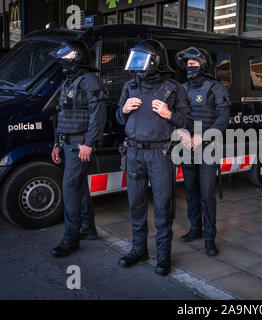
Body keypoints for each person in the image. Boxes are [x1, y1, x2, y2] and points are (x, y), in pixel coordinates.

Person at [116, 40, 192, 275]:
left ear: (156, 61)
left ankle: (163, 256)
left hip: (160, 154)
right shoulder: (130, 86)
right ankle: (138, 249)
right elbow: (119, 118)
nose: (137, 65)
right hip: (133, 152)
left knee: (163, 207)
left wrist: (170, 114)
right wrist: (124, 110)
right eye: (135, 59)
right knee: (136, 205)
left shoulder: (174, 88)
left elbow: (189, 123)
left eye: (142, 59)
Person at [49, 40, 107, 257]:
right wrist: (57, 143)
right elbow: (62, 114)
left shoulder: (90, 81)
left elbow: (98, 115)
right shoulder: (69, 81)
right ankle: (88, 229)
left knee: (70, 189)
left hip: (80, 144)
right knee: (80, 186)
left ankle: (70, 239)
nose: (62, 63)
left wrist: (89, 143)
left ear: (77, 59)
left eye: (66, 59)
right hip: (68, 143)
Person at [175, 47, 231, 256]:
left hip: (207, 148)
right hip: (187, 148)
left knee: (207, 193)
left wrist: (203, 136)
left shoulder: (216, 88)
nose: (189, 68)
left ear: (203, 65)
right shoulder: (181, 88)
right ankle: (195, 229)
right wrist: (182, 134)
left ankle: (210, 237)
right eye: (187, 64)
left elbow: (222, 118)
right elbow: (176, 116)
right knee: (191, 192)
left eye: (193, 64)